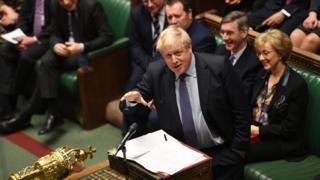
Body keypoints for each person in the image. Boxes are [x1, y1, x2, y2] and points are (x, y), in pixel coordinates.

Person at [120, 26, 251, 180]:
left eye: (178, 53)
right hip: (181, 155)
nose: (174, 60)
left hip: (221, 151)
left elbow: (241, 109)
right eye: (168, 56)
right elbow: (132, 102)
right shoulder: (156, 72)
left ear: (189, 48)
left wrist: (238, 151)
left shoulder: (218, 66)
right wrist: (131, 101)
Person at [0, 0, 113, 135]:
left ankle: (27, 115)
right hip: (65, 49)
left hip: (85, 52)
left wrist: (81, 46)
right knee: (47, 62)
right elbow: (55, 32)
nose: (64, 3)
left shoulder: (92, 5)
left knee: (46, 68)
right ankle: (52, 112)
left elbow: (107, 37)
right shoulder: (57, 6)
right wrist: (56, 45)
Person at [246, 29, 309, 162]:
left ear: (280, 53)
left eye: (266, 53)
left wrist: (258, 131)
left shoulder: (297, 85)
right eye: (259, 53)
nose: (261, 58)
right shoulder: (261, 75)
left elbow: (290, 129)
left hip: (281, 142)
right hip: (255, 133)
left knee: (238, 153)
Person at [0, 0, 52, 120]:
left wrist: (33, 39)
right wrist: (20, 37)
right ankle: (6, 106)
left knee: (25, 56)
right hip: (28, 35)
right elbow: (24, 17)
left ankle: (13, 98)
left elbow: (56, 26)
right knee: (5, 51)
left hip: (46, 39)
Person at [215, 11, 261, 98]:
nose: (224, 38)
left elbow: (241, 95)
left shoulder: (254, 62)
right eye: (222, 32)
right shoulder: (220, 49)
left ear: (244, 33)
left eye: (229, 33)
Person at [126, 0, 166, 91]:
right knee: (133, 88)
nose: (149, 4)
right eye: (145, 1)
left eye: (152, 0)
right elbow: (134, 45)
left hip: (167, 60)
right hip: (144, 60)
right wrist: (149, 65)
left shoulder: (173, 12)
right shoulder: (136, 13)